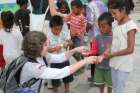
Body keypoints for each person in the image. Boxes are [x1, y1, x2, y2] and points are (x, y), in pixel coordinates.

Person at [20, 31, 97, 93]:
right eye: (46, 45)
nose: (48, 47)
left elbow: (59, 58)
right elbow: (61, 73)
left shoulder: (40, 55)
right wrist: (85, 61)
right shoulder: (32, 67)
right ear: (37, 48)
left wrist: (75, 50)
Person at [105, 0, 139, 93]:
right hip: (114, 62)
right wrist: (108, 49)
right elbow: (114, 40)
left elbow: (130, 49)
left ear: (123, 10)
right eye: (111, 13)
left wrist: (112, 54)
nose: (112, 16)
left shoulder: (130, 26)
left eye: (114, 13)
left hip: (124, 64)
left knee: (120, 88)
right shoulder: (115, 23)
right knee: (115, 85)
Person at [47, 15, 72, 93]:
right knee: (55, 79)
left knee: (67, 78)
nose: (58, 31)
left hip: (64, 59)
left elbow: (71, 42)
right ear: (51, 27)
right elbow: (47, 50)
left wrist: (67, 43)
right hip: (54, 62)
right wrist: (54, 49)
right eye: (56, 29)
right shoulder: (48, 36)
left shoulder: (64, 33)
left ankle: (67, 91)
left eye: (60, 29)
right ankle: (55, 91)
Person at [86, 0, 108, 82]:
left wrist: (86, 30)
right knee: (102, 56)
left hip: (95, 36)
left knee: (93, 56)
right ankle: (103, 77)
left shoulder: (90, 5)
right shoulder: (102, 3)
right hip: (104, 34)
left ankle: (94, 77)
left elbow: (90, 22)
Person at [93, 12, 113, 93]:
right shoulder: (98, 37)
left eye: (103, 27)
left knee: (110, 83)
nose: (101, 29)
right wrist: (90, 53)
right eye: (99, 27)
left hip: (110, 66)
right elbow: (95, 50)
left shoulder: (115, 37)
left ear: (111, 25)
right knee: (101, 82)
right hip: (99, 66)